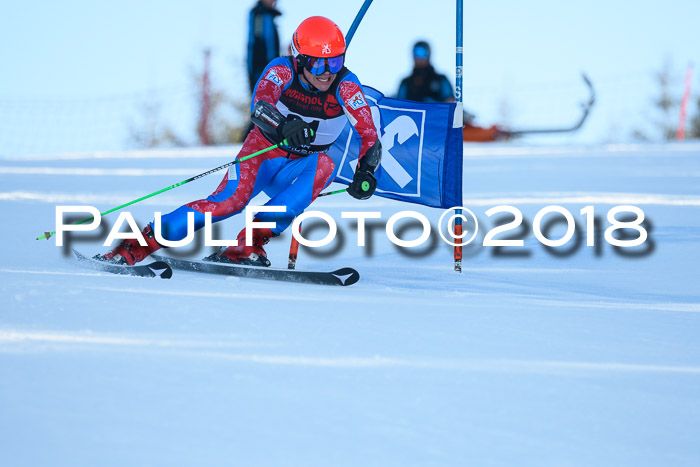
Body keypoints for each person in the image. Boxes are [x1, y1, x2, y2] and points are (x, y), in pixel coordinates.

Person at [97, 16, 381, 267]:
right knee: (228, 203)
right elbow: (259, 108)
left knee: (326, 165)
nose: (328, 72)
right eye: (319, 63)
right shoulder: (282, 70)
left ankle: (249, 244)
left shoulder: (345, 85)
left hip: (300, 166)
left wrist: (365, 173)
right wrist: (284, 126)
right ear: (302, 59)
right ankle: (137, 243)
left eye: (335, 60)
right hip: (263, 155)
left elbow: (369, 135)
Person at [247, 0, 282, 94]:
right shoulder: (258, 14)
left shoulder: (269, 16)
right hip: (261, 69)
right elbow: (256, 43)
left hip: (271, 67)